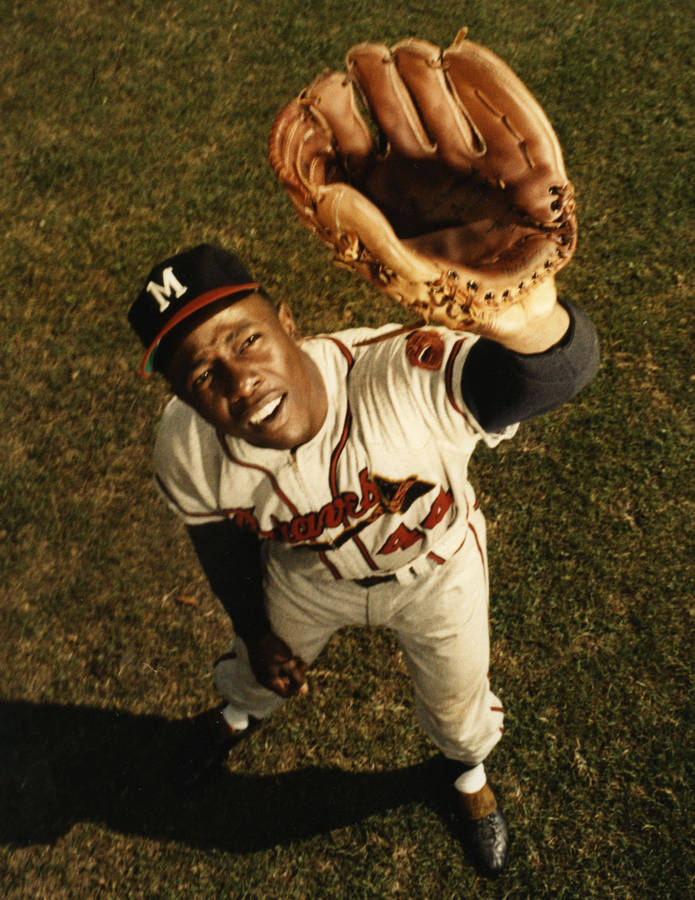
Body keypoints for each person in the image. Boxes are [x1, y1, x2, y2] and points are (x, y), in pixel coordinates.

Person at [128, 242, 599, 876]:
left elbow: (551, 373)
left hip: (436, 571)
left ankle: (466, 776)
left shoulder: (397, 374)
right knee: (257, 667)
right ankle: (236, 715)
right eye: (204, 376)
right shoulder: (186, 449)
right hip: (308, 577)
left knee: (459, 704)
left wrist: (533, 323)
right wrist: (255, 631)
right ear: (185, 399)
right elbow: (219, 545)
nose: (241, 384)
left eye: (246, 342)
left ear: (287, 322)